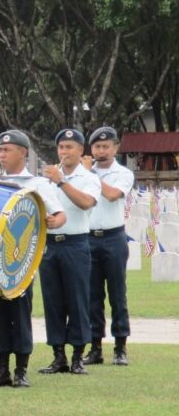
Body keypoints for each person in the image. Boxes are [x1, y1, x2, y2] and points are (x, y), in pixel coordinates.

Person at [0, 130, 66, 389]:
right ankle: (1, 369)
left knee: (20, 313)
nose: (2, 155)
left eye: (7, 150)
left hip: (22, 262)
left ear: (23, 153)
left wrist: (53, 221)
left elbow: (60, 214)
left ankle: (21, 370)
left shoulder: (38, 184)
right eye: (0, 150)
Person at [39, 129, 101, 375]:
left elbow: (86, 203)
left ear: (80, 151)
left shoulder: (89, 178)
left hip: (75, 243)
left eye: (69, 147)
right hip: (50, 244)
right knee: (53, 301)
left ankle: (77, 355)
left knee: (77, 299)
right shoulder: (45, 180)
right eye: (61, 147)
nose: (64, 152)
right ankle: (58, 356)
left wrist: (61, 182)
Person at [82, 127, 134, 366]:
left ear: (115, 148)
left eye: (105, 147)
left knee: (117, 293)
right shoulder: (82, 173)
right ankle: (95, 347)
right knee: (92, 295)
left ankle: (120, 346)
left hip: (114, 238)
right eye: (96, 147)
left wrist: (90, 177)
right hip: (89, 237)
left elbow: (112, 195)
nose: (101, 151)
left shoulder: (122, 173)